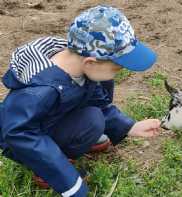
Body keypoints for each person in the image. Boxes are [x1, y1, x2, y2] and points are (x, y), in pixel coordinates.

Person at [0, 5, 161, 196]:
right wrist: (70, 183)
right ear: (90, 62)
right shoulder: (41, 91)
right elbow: (19, 133)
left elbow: (97, 102)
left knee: (96, 110)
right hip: (24, 140)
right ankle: (45, 168)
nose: (118, 73)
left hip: (54, 118)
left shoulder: (79, 64)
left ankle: (72, 140)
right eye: (117, 68)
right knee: (92, 120)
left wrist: (129, 127)